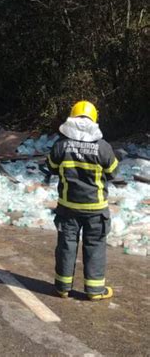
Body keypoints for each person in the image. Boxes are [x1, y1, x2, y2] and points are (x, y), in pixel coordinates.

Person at [46, 101, 118, 301]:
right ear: (93, 119)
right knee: (94, 245)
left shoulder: (61, 144)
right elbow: (113, 172)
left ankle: (62, 287)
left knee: (66, 245)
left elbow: (51, 166)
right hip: (96, 209)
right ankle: (95, 290)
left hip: (68, 207)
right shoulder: (102, 147)